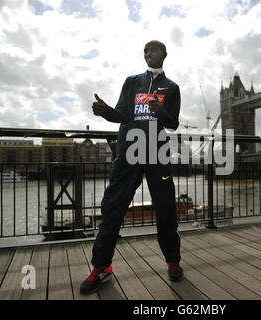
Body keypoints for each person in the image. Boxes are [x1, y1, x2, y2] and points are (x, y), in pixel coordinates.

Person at [80, 40, 183, 295]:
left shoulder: (172, 88)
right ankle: (101, 267)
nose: (148, 53)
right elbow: (123, 116)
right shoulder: (131, 82)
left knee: (166, 208)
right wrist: (105, 111)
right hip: (128, 153)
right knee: (112, 206)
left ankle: (173, 262)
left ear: (164, 54)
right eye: (145, 51)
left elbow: (173, 125)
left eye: (153, 50)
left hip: (156, 153)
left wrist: (160, 112)